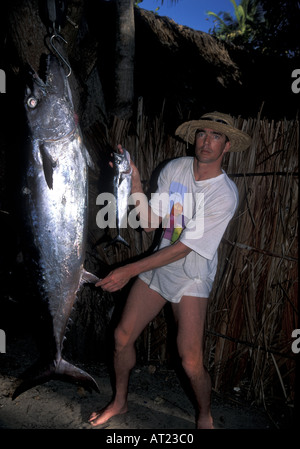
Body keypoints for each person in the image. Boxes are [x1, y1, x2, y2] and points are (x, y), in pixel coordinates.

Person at [89, 111, 252, 429]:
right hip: (159, 265)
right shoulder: (174, 169)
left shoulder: (224, 194)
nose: (206, 141)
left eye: (216, 136)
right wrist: (135, 182)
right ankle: (120, 401)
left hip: (191, 274)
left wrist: (129, 270)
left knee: (190, 359)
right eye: (202, 133)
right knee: (122, 336)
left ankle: (205, 414)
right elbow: (151, 222)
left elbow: (186, 247)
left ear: (227, 146)